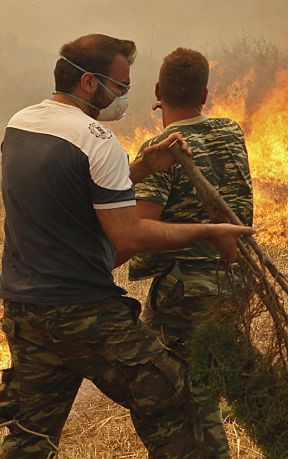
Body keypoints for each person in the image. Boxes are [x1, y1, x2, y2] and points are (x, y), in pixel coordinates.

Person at [0, 34, 252, 457]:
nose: (124, 96)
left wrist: (142, 167)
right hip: (85, 313)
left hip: (24, 309)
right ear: (87, 83)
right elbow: (130, 234)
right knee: (174, 396)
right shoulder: (97, 140)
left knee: (32, 432)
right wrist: (208, 230)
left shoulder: (21, 124)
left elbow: (70, 191)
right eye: (120, 85)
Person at [128, 47, 254, 458]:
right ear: (204, 94)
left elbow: (141, 229)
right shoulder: (231, 131)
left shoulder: (163, 146)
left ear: (158, 91)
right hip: (234, 280)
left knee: (180, 396)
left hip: (188, 290)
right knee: (204, 389)